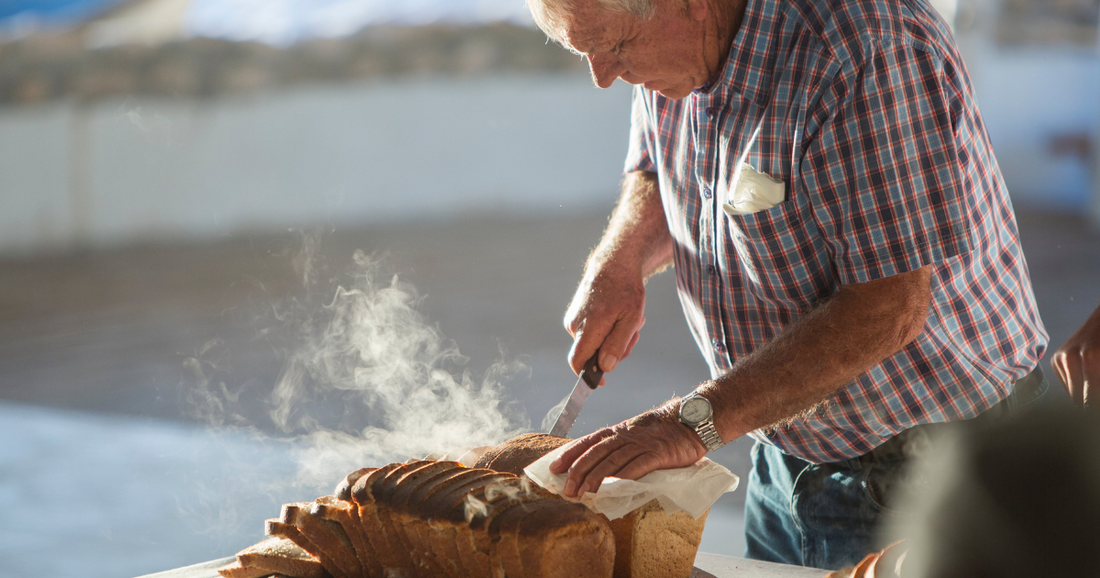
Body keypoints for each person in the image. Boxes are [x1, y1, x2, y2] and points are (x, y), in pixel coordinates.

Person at [524, 0, 1049, 570]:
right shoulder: (665, 43)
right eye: (587, 51)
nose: (603, 77)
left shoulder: (864, 48)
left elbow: (888, 308)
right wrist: (619, 260)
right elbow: (658, 163)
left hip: (934, 473)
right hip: (782, 453)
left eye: (616, 47)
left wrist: (691, 423)